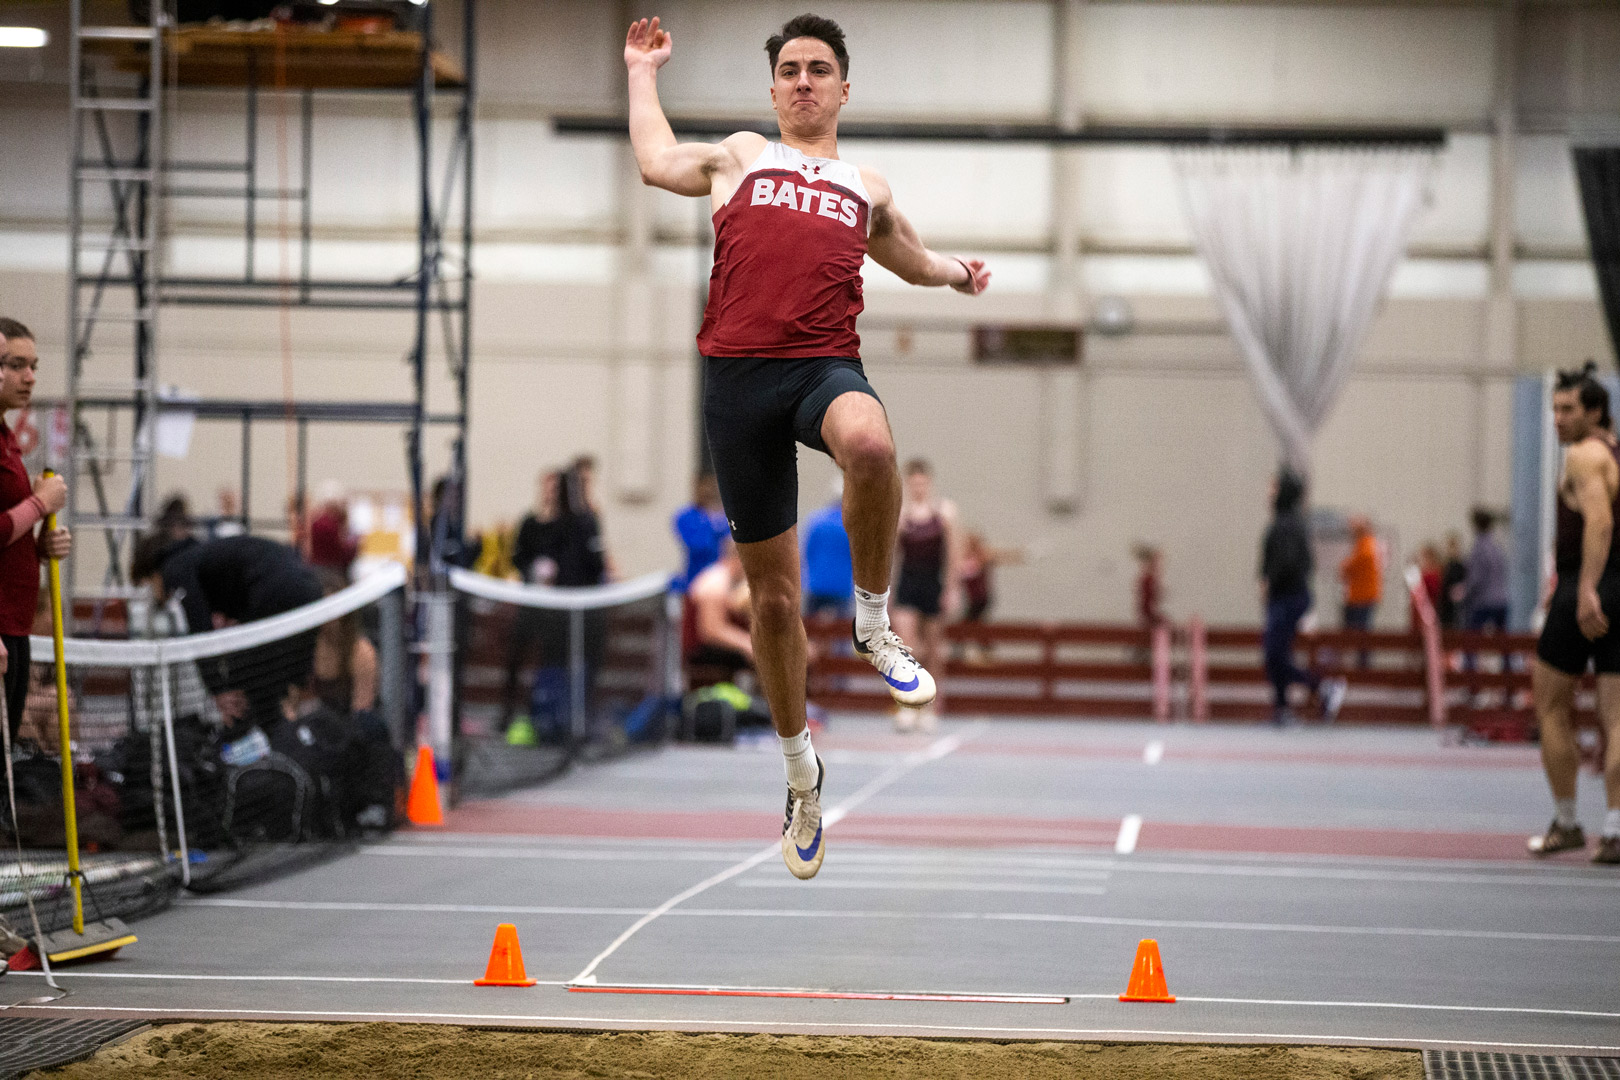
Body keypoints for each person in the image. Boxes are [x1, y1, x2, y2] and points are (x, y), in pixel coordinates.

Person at [624, 13, 989, 877]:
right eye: (789, 69)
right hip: (738, 385)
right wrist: (642, 72)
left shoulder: (865, 187)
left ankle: (873, 623)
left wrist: (959, 275)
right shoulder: (741, 157)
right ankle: (801, 778)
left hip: (823, 365)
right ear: (774, 87)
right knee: (774, 603)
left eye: (818, 69)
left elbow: (914, 259)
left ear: (842, 89)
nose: (802, 81)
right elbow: (655, 161)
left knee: (871, 447)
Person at [1529, 364, 1620, 864]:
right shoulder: (1615, 455)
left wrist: (1584, 589)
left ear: (1595, 412)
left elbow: (1600, 522)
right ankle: (1616, 829)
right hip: (1617, 587)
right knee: (1616, 715)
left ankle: (1566, 823)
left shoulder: (1584, 455)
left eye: (1568, 409)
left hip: (1585, 586)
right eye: (1555, 409)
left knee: (1550, 706)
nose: (1557, 419)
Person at [131, 533, 324, 734]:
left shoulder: (175, 567)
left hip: (279, 594)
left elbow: (200, 630)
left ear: (153, 574)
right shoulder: (203, 556)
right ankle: (286, 734)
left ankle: (266, 739)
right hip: (310, 589)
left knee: (244, 677)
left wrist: (218, 689)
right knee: (275, 682)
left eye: (146, 585)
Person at [0, 319, 72, 743]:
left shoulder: (8, 439)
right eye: (16, 365)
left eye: (34, 366)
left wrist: (40, 547)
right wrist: (40, 504)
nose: (29, 377)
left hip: (16, 625)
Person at [1259, 470, 1345, 726]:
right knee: (1277, 654)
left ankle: (1321, 686)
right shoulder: (1285, 522)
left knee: (1274, 655)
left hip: (1288, 596)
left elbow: (1288, 565)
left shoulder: (1287, 524)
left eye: (1273, 487)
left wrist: (1268, 582)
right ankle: (1282, 708)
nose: (1268, 492)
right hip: (1286, 596)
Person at [892, 460, 959, 732]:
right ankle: (908, 705)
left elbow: (953, 554)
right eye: (914, 484)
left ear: (929, 483)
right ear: (908, 484)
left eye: (922, 483)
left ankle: (931, 705)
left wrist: (951, 589)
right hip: (908, 584)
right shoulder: (901, 514)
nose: (918, 488)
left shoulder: (944, 512)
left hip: (933, 584)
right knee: (907, 648)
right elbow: (892, 555)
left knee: (933, 649)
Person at [687, 541, 755, 680]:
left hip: (709, 648)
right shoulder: (716, 581)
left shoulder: (725, 580)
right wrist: (747, 644)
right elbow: (711, 630)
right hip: (703, 652)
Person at [801, 477, 853, 618]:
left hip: (816, 584)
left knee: (810, 624)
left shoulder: (816, 521)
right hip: (841, 587)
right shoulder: (852, 526)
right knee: (841, 626)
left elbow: (806, 552)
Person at [672, 472, 729, 593]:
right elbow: (699, 545)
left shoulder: (727, 516)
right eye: (704, 485)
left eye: (712, 485)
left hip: (726, 581)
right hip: (695, 580)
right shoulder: (686, 516)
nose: (709, 490)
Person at [1339, 516, 1381, 668]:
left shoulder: (1367, 545)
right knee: (1354, 633)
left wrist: (1345, 567)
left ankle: (1363, 668)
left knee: (1362, 635)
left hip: (1363, 597)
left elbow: (1351, 565)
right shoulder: (1362, 544)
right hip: (1358, 596)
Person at [1464, 508, 1509, 633]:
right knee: (1502, 639)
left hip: (1484, 602)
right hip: (1501, 600)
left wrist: (1465, 592)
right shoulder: (1497, 546)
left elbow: (1476, 578)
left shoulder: (1478, 548)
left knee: (1473, 638)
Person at [307, 480, 358, 576]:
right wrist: (355, 544)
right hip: (329, 572)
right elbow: (341, 553)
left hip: (322, 569)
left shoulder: (319, 522)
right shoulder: (327, 525)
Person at [1438, 532, 1467, 631]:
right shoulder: (1445, 566)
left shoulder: (1460, 567)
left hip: (1456, 608)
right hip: (1445, 607)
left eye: (1454, 546)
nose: (1452, 549)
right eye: (1450, 546)